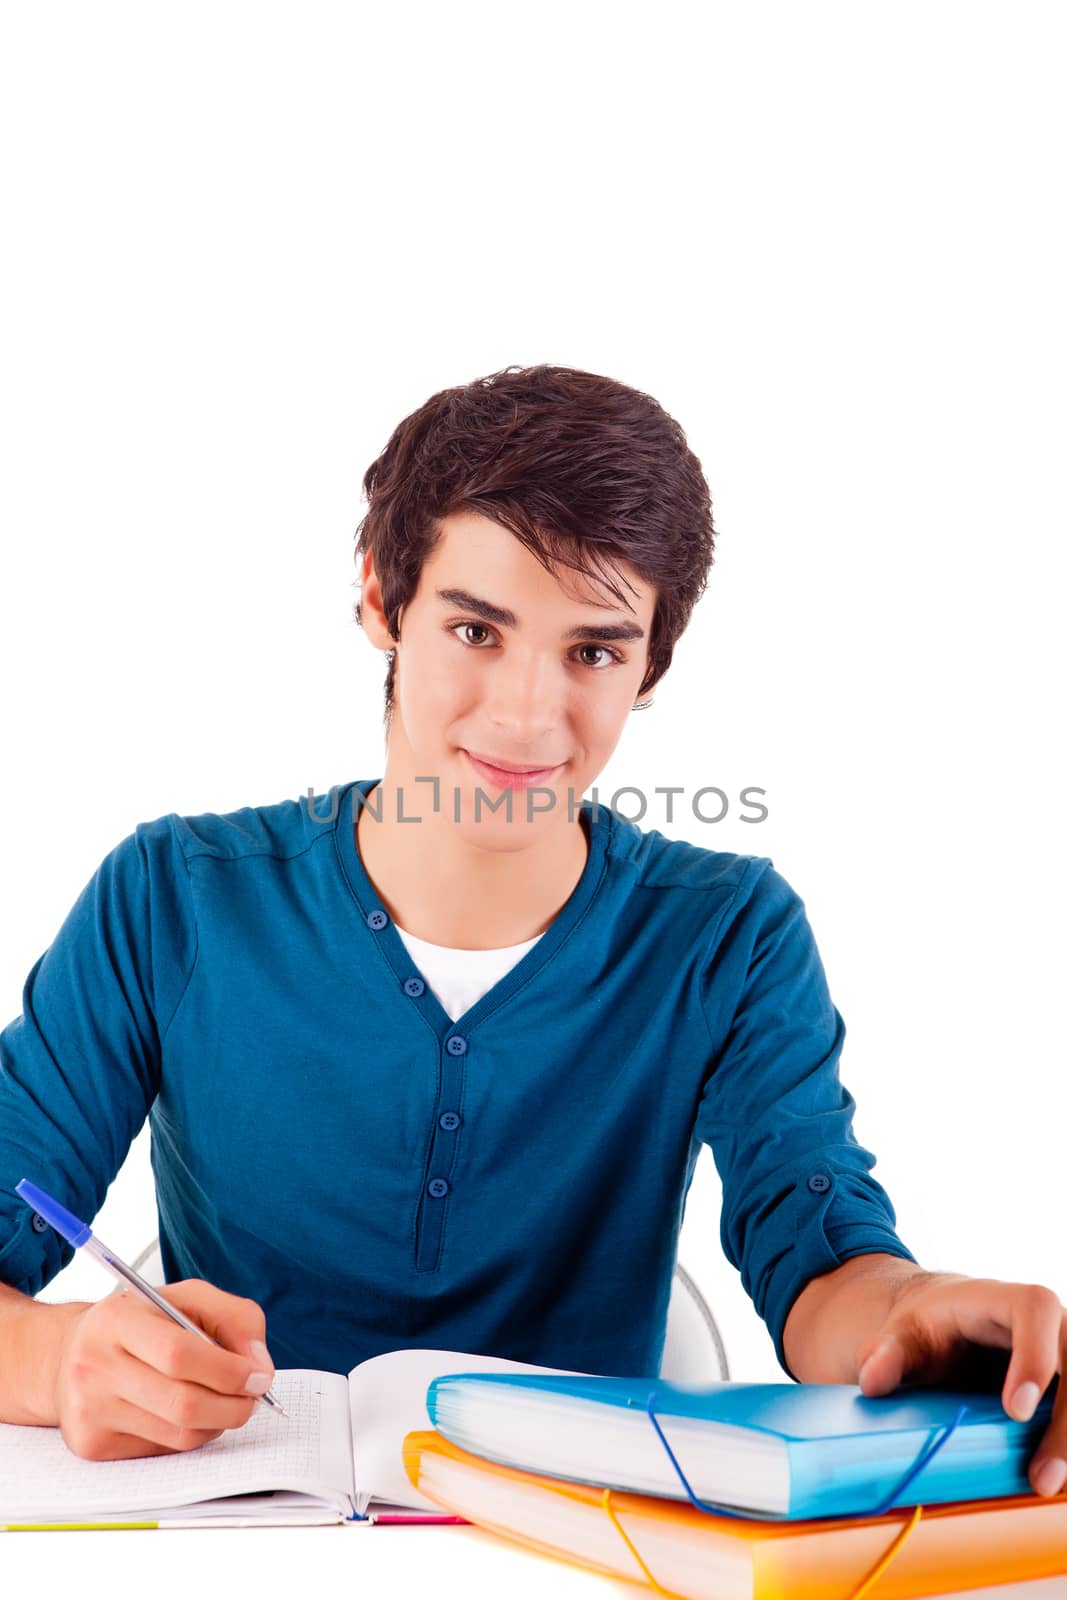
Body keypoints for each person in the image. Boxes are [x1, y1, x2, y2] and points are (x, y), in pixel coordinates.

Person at [1, 365, 1064, 1497]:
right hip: (244, 1540)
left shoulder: (728, 935)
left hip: (580, 1550)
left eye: (592, 651)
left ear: (649, 664)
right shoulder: (171, 899)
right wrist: (60, 1357)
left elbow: (820, 1272)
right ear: (379, 599)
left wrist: (915, 1315)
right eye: (474, 628)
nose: (523, 714)